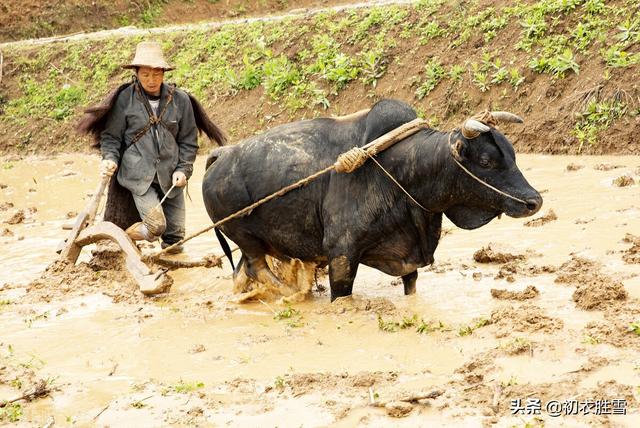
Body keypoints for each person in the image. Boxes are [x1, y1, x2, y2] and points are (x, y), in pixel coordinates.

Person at [99, 41, 200, 253]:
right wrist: (109, 158)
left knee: (176, 237)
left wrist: (183, 169)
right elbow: (111, 137)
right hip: (138, 176)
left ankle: (173, 268)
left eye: (156, 74)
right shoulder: (124, 99)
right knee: (156, 226)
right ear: (136, 73)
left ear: (164, 73)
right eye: (145, 74)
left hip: (170, 176)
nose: (151, 80)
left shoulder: (180, 100)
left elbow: (189, 141)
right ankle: (127, 237)